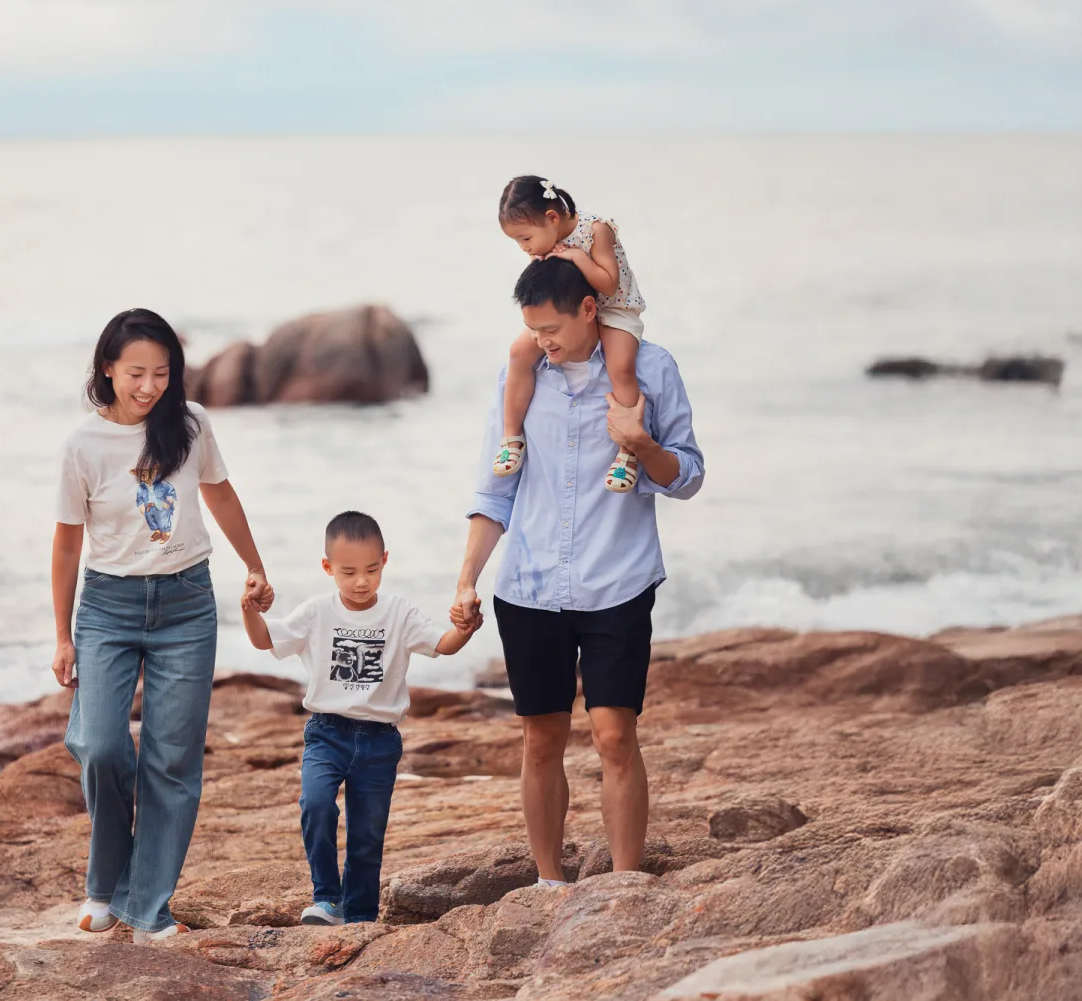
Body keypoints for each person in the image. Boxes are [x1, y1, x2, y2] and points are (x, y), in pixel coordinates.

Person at [452, 257, 703, 885]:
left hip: (617, 581)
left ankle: (624, 886)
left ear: (589, 309)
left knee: (615, 735)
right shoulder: (522, 375)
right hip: (530, 587)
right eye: (533, 331)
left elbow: (690, 476)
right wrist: (467, 579)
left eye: (552, 330)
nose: (544, 343)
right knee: (541, 739)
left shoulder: (651, 369)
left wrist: (642, 445)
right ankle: (548, 884)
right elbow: (494, 489)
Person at [51, 307, 275, 943]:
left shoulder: (191, 423)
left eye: (161, 373)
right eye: (135, 374)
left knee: (172, 761)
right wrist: (63, 635)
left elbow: (220, 494)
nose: (148, 386)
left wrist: (254, 565)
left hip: (186, 603)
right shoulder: (82, 446)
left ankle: (146, 907)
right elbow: (66, 546)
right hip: (107, 607)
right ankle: (106, 881)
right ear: (107, 370)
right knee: (99, 744)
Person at [241, 511, 481, 925]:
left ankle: (361, 917)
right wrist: (248, 608)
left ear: (385, 561)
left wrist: (467, 627)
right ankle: (326, 898)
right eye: (348, 571)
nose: (361, 581)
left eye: (371, 569)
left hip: (379, 739)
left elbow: (443, 644)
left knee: (367, 836)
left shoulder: (400, 613)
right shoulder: (317, 612)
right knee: (315, 805)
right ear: (327, 567)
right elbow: (265, 640)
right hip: (326, 733)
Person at [493, 175, 648, 493]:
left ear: (551, 218)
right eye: (518, 242)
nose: (524, 248)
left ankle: (628, 452)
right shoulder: (547, 241)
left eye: (525, 238)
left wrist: (578, 257)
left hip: (614, 308)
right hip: (568, 314)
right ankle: (511, 436)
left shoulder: (596, 230)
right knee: (519, 352)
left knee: (620, 367)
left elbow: (608, 283)